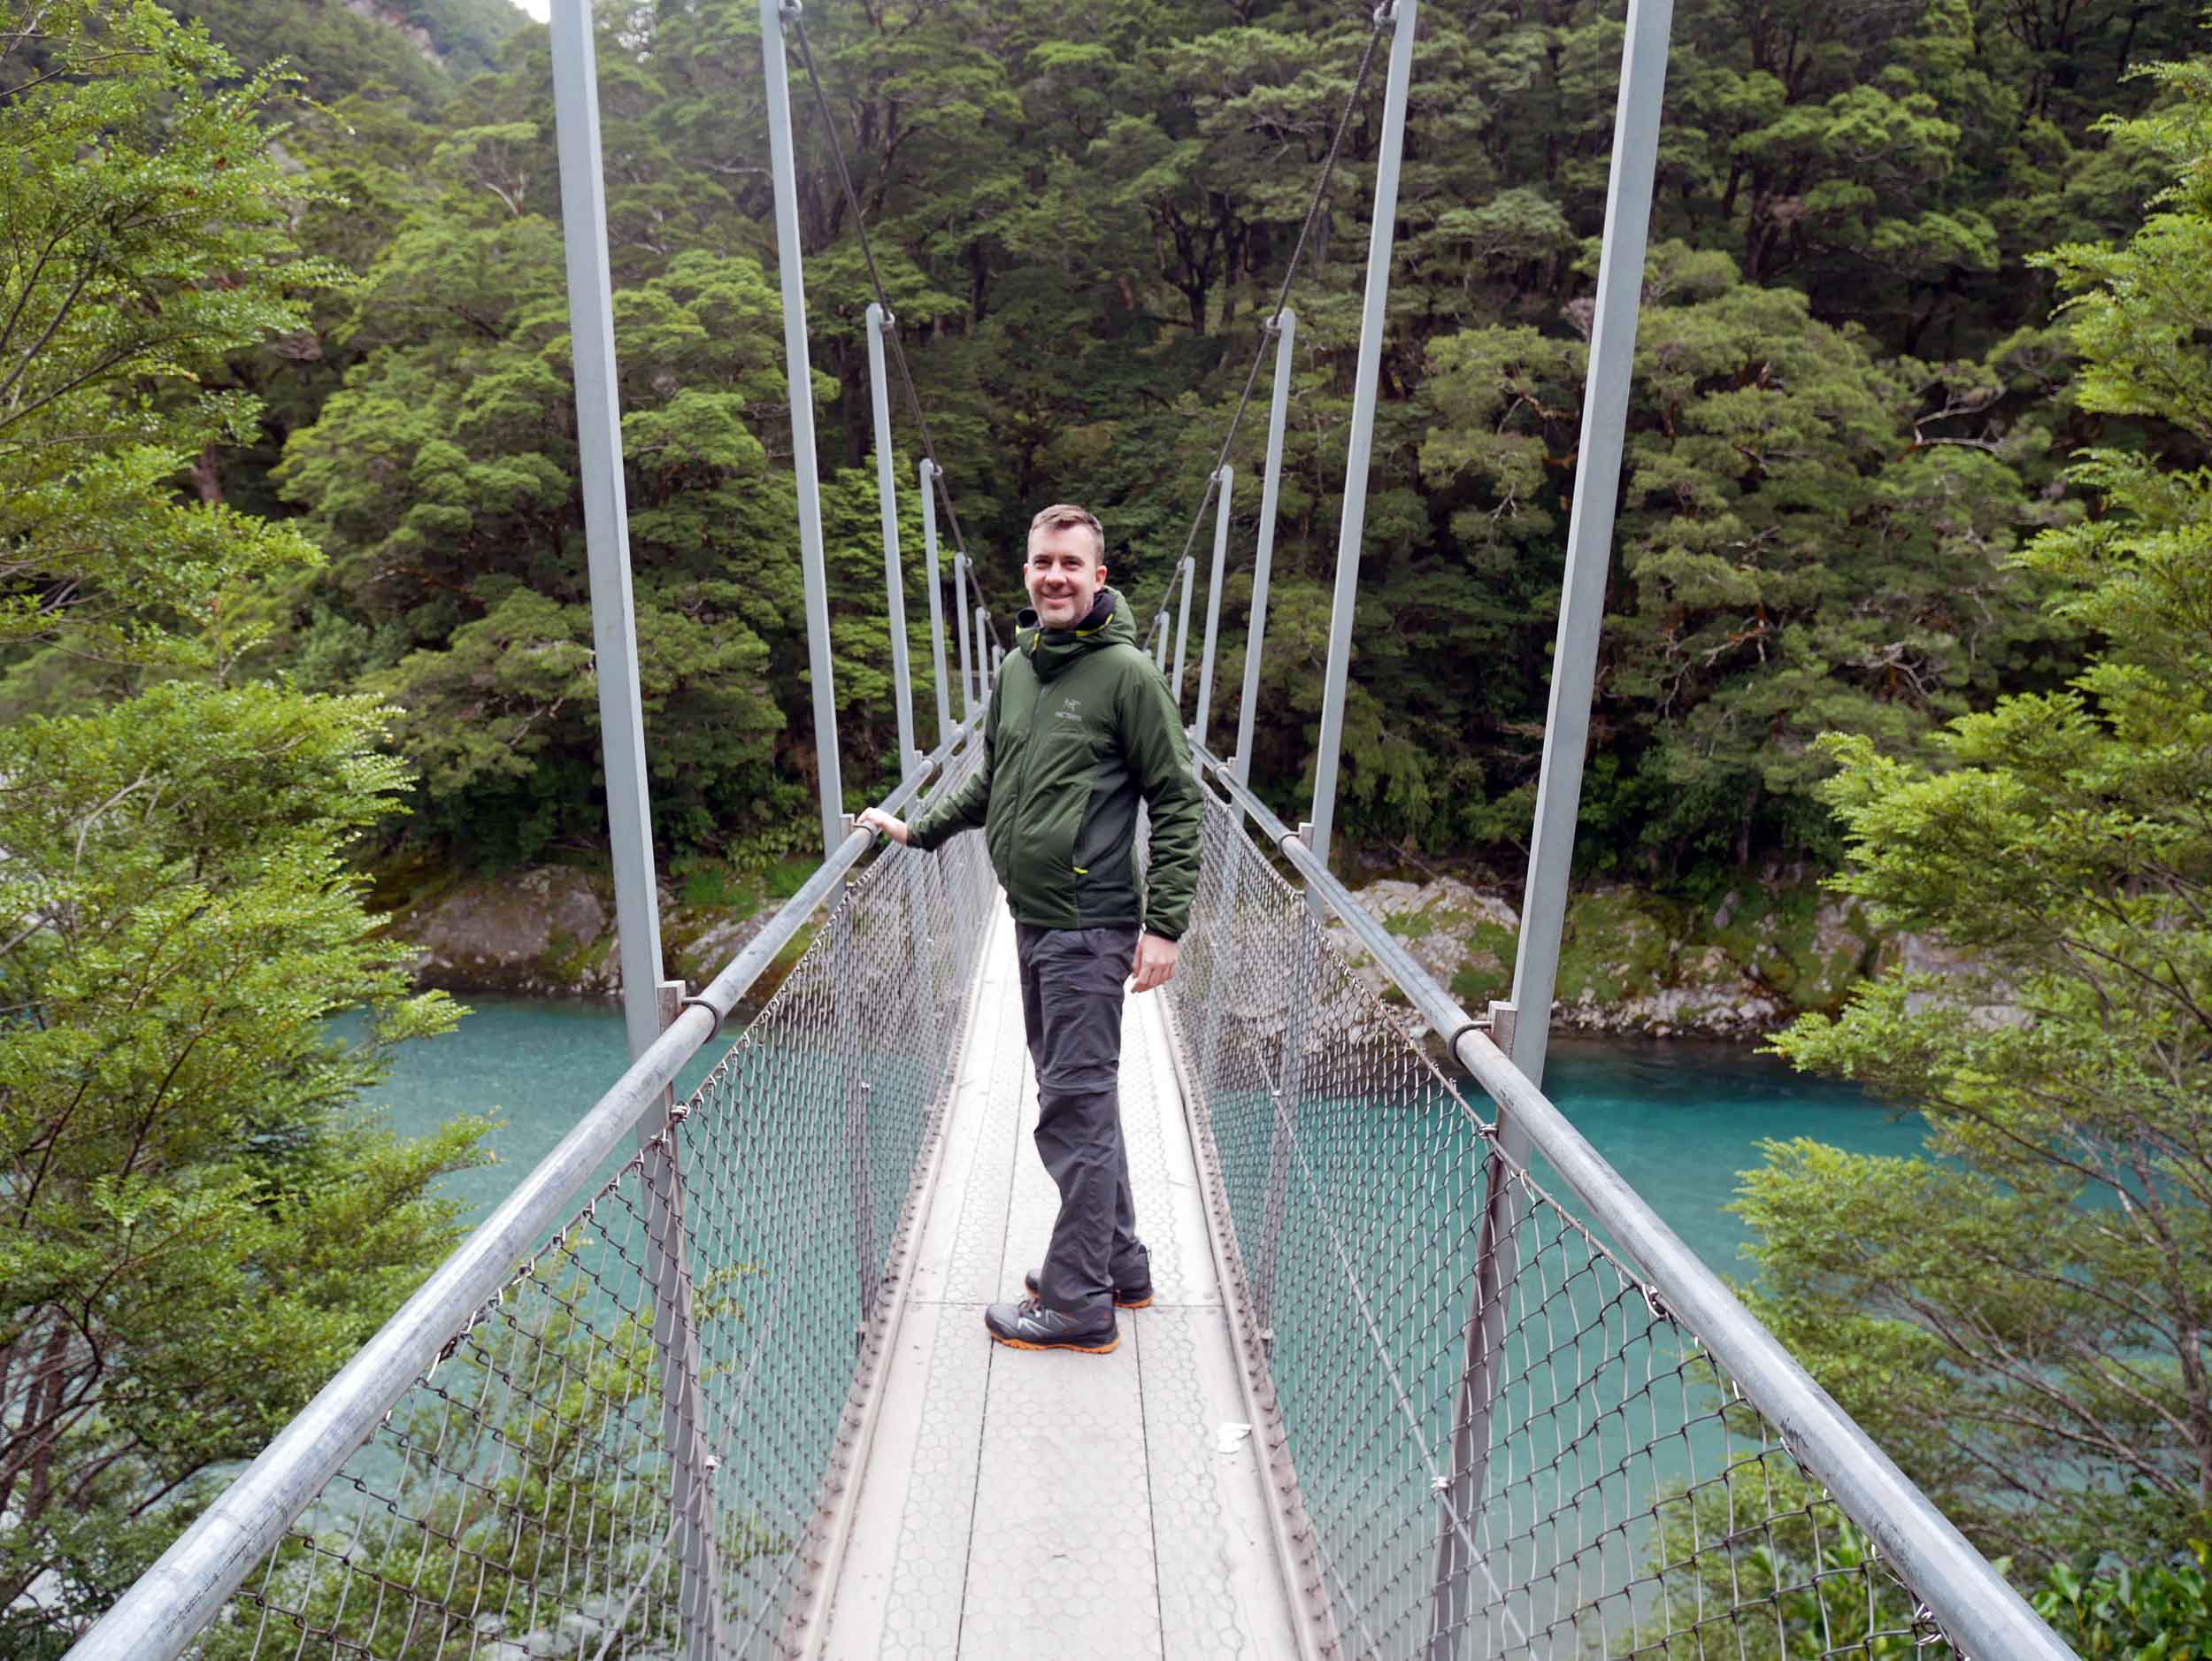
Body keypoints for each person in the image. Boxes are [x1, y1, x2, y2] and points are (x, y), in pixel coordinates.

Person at [858, 503, 1203, 1356]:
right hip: (1033, 917)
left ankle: (1078, 1301)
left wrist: (1163, 926)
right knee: (1078, 1097)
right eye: (1042, 562)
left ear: (1099, 579)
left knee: (1071, 1110)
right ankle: (1118, 1265)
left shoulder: (1128, 675)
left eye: (1071, 565)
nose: (1055, 577)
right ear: (1026, 573)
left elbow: (1180, 799)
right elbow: (994, 782)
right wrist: (922, 828)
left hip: (1093, 927)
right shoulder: (1019, 672)